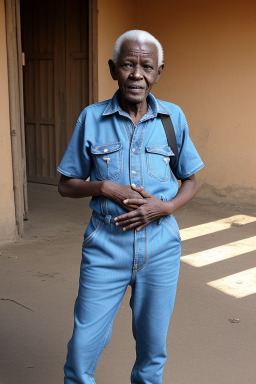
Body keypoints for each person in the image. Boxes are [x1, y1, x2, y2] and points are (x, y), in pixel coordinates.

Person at [57, 30, 204, 384]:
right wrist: (104, 186)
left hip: (161, 246)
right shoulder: (91, 118)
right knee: (82, 349)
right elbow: (65, 185)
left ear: (158, 73)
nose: (136, 74)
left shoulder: (173, 119)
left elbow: (191, 180)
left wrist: (165, 208)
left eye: (146, 66)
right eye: (127, 64)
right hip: (105, 245)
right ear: (113, 69)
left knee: (152, 353)